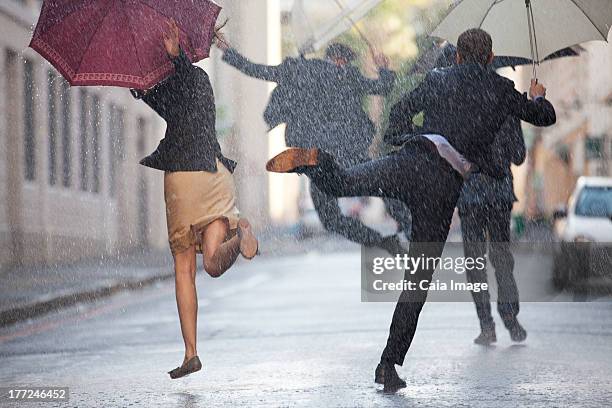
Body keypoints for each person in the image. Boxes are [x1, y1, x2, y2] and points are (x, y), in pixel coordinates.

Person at [265, 28, 556, 392]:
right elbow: (544, 117)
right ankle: (388, 365)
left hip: (410, 160)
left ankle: (316, 161)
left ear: (460, 56)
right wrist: (538, 97)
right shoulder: (501, 91)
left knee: (344, 184)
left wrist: (407, 140)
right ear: (489, 55)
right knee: (417, 282)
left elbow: (399, 115)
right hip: (442, 186)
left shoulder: (437, 78)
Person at [132, 20, 259, 379]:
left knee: (185, 270)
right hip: (214, 177)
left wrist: (176, 61)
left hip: (186, 181)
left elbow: (182, 88)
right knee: (212, 265)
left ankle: (191, 351)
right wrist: (142, 86)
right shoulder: (191, 81)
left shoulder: (192, 78)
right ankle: (240, 237)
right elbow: (167, 97)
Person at [216, 37, 406, 255]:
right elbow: (383, 87)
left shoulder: (297, 70)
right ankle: (407, 227)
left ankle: (384, 242)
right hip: (348, 151)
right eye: (347, 61)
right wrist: (384, 69)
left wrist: (228, 50)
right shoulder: (346, 75)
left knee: (332, 218)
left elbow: (255, 70)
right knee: (382, 185)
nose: (346, 66)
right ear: (340, 60)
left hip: (318, 159)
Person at [458, 115, 527, 345]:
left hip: (471, 196)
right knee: (502, 259)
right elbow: (518, 157)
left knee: (475, 263)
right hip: (499, 194)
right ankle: (510, 317)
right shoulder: (507, 109)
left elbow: (453, 155)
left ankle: (486, 325)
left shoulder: (462, 106)